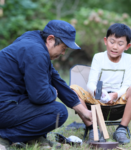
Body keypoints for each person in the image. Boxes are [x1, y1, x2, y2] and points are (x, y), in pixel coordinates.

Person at [0, 20, 92, 149]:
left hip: (9, 101)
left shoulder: (34, 40)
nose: (63, 53)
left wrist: (84, 112)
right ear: (50, 39)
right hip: (4, 105)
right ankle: (5, 136)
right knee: (58, 112)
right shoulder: (37, 53)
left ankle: (34, 138)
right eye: (63, 48)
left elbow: (56, 80)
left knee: (47, 103)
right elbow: (39, 96)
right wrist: (52, 92)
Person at [71, 23, 131, 144]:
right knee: (72, 89)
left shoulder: (129, 59)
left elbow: (126, 85)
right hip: (97, 98)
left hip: (119, 99)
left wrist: (115, 95)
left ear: (127, 46)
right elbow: (91, 83)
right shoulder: (99, 57)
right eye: (112, 42)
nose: (115, 47)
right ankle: (93, 128)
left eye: (120, 44)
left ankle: (121, 129)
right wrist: (98, 93)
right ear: (105, 41)